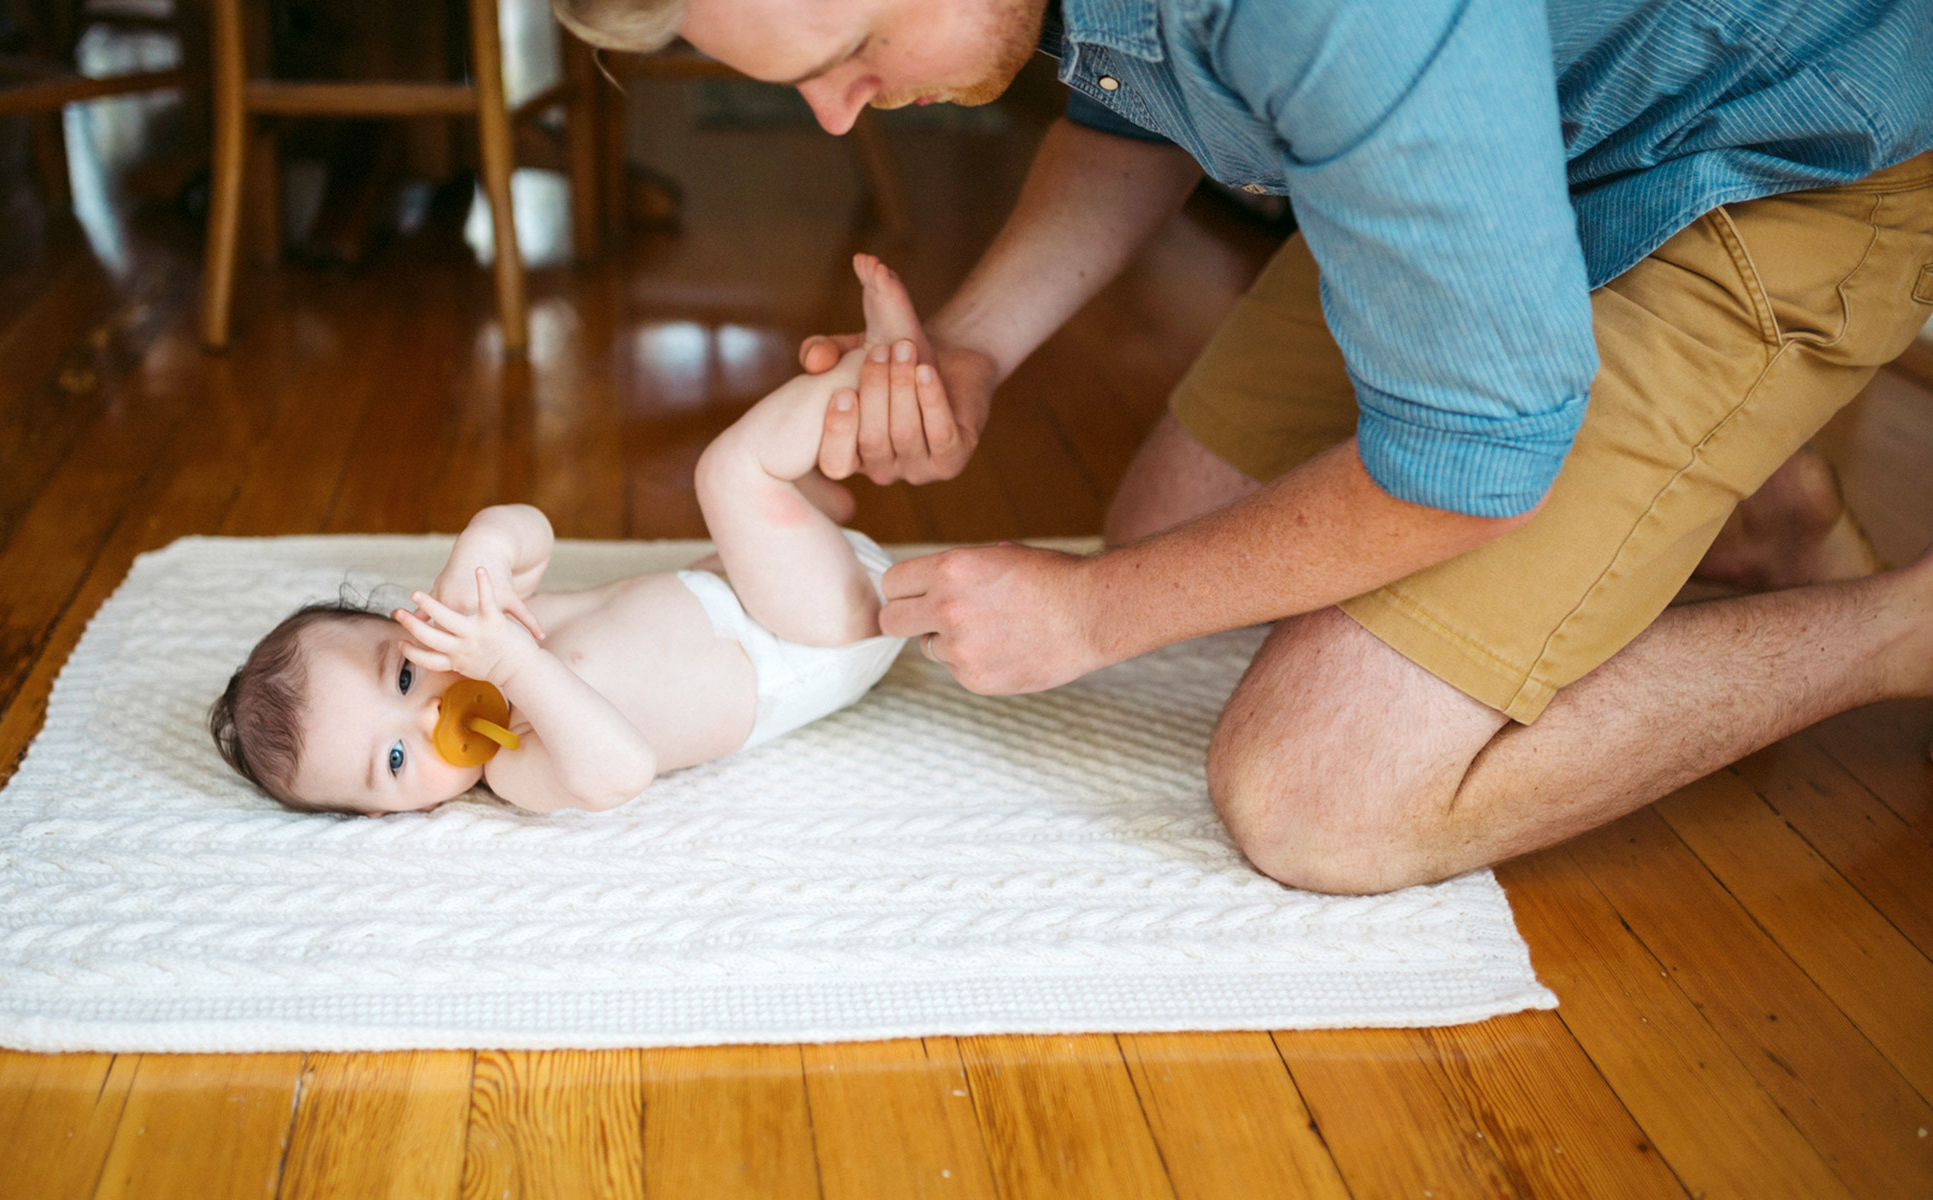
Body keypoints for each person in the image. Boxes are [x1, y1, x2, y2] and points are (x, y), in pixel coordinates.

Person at [555, 0, 1933, 890]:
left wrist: (1093, 610)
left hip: (1767, 158)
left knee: (1318, 801)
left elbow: (1476, 451)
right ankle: (1750, 501)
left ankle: (1896, 630)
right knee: (1182, 551)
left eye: (847, 56)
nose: (837, 113)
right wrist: (976, 344)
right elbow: (1134, 95)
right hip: (1532, 130)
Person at [209, 256, 927, 814]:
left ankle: (812, 498)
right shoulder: (520, 763)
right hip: (816, 638)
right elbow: (623, 770)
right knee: (729, 474)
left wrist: (483, 549)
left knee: (734, 506)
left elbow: (535, 535)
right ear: (388, 813)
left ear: (403, 619)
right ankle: (881, 371)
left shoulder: (477, 625)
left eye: (402, 674)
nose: (429, 714)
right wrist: (517, 665)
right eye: (396, 761)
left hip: (758, 584)